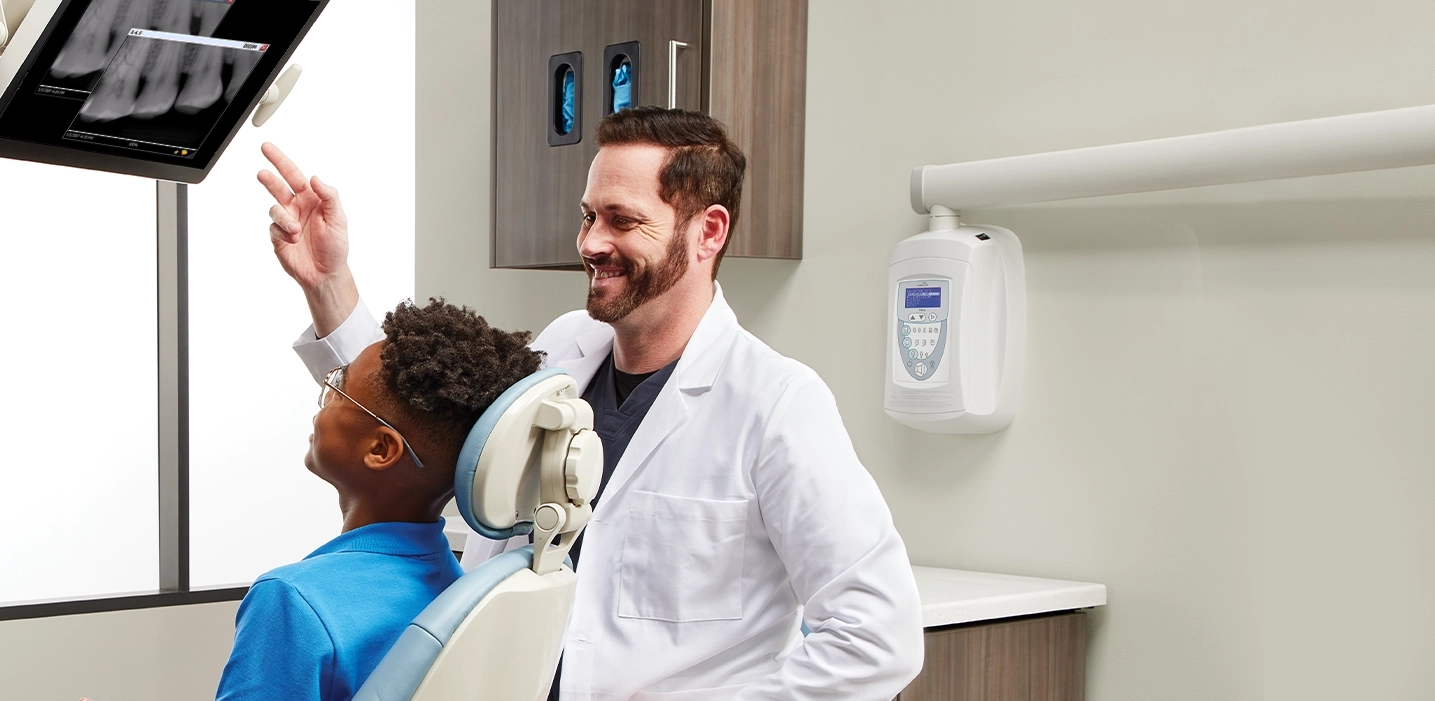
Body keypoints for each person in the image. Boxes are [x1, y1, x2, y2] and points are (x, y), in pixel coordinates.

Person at [259, 106, 925, 700]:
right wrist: (329, 284)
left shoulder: (777, 405)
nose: (590, 243)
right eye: (588, 215)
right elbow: (413, 427)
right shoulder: (562, 353)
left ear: (708, 231)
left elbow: (877, 637)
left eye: (623, 220)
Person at [214, 300, 544, 701]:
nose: (322, 406)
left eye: (337, 390)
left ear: (381, 449)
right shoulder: (456, 589)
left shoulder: (293, 601)